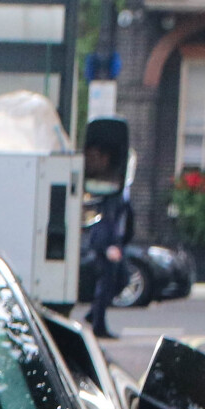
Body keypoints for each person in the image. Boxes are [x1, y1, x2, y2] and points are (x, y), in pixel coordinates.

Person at [83, 142, 131, 341]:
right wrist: (108, 246)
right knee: (107, 284)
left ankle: (93, 314)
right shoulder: (100, 184)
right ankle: (98, 325)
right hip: (105, 243)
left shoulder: (112, 180)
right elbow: (104, 219)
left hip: (114, 242)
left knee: (122, 280)